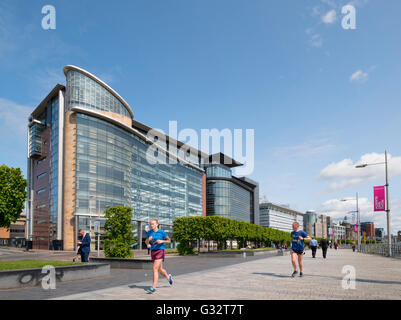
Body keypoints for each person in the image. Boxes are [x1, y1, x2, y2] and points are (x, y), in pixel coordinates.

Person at [145, 218, 173, 294]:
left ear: (157, 224)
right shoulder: (149, 232)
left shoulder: (162, 232)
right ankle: (168, 277)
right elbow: (146, 242)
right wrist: (148, 239)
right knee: (159, 269)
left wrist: (162, 241)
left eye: (153, 224)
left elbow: (169, 240)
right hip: (153, 251)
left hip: (160, 251)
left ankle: (153, 287)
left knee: (154, 268)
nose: (151, 225)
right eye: (150, 224)